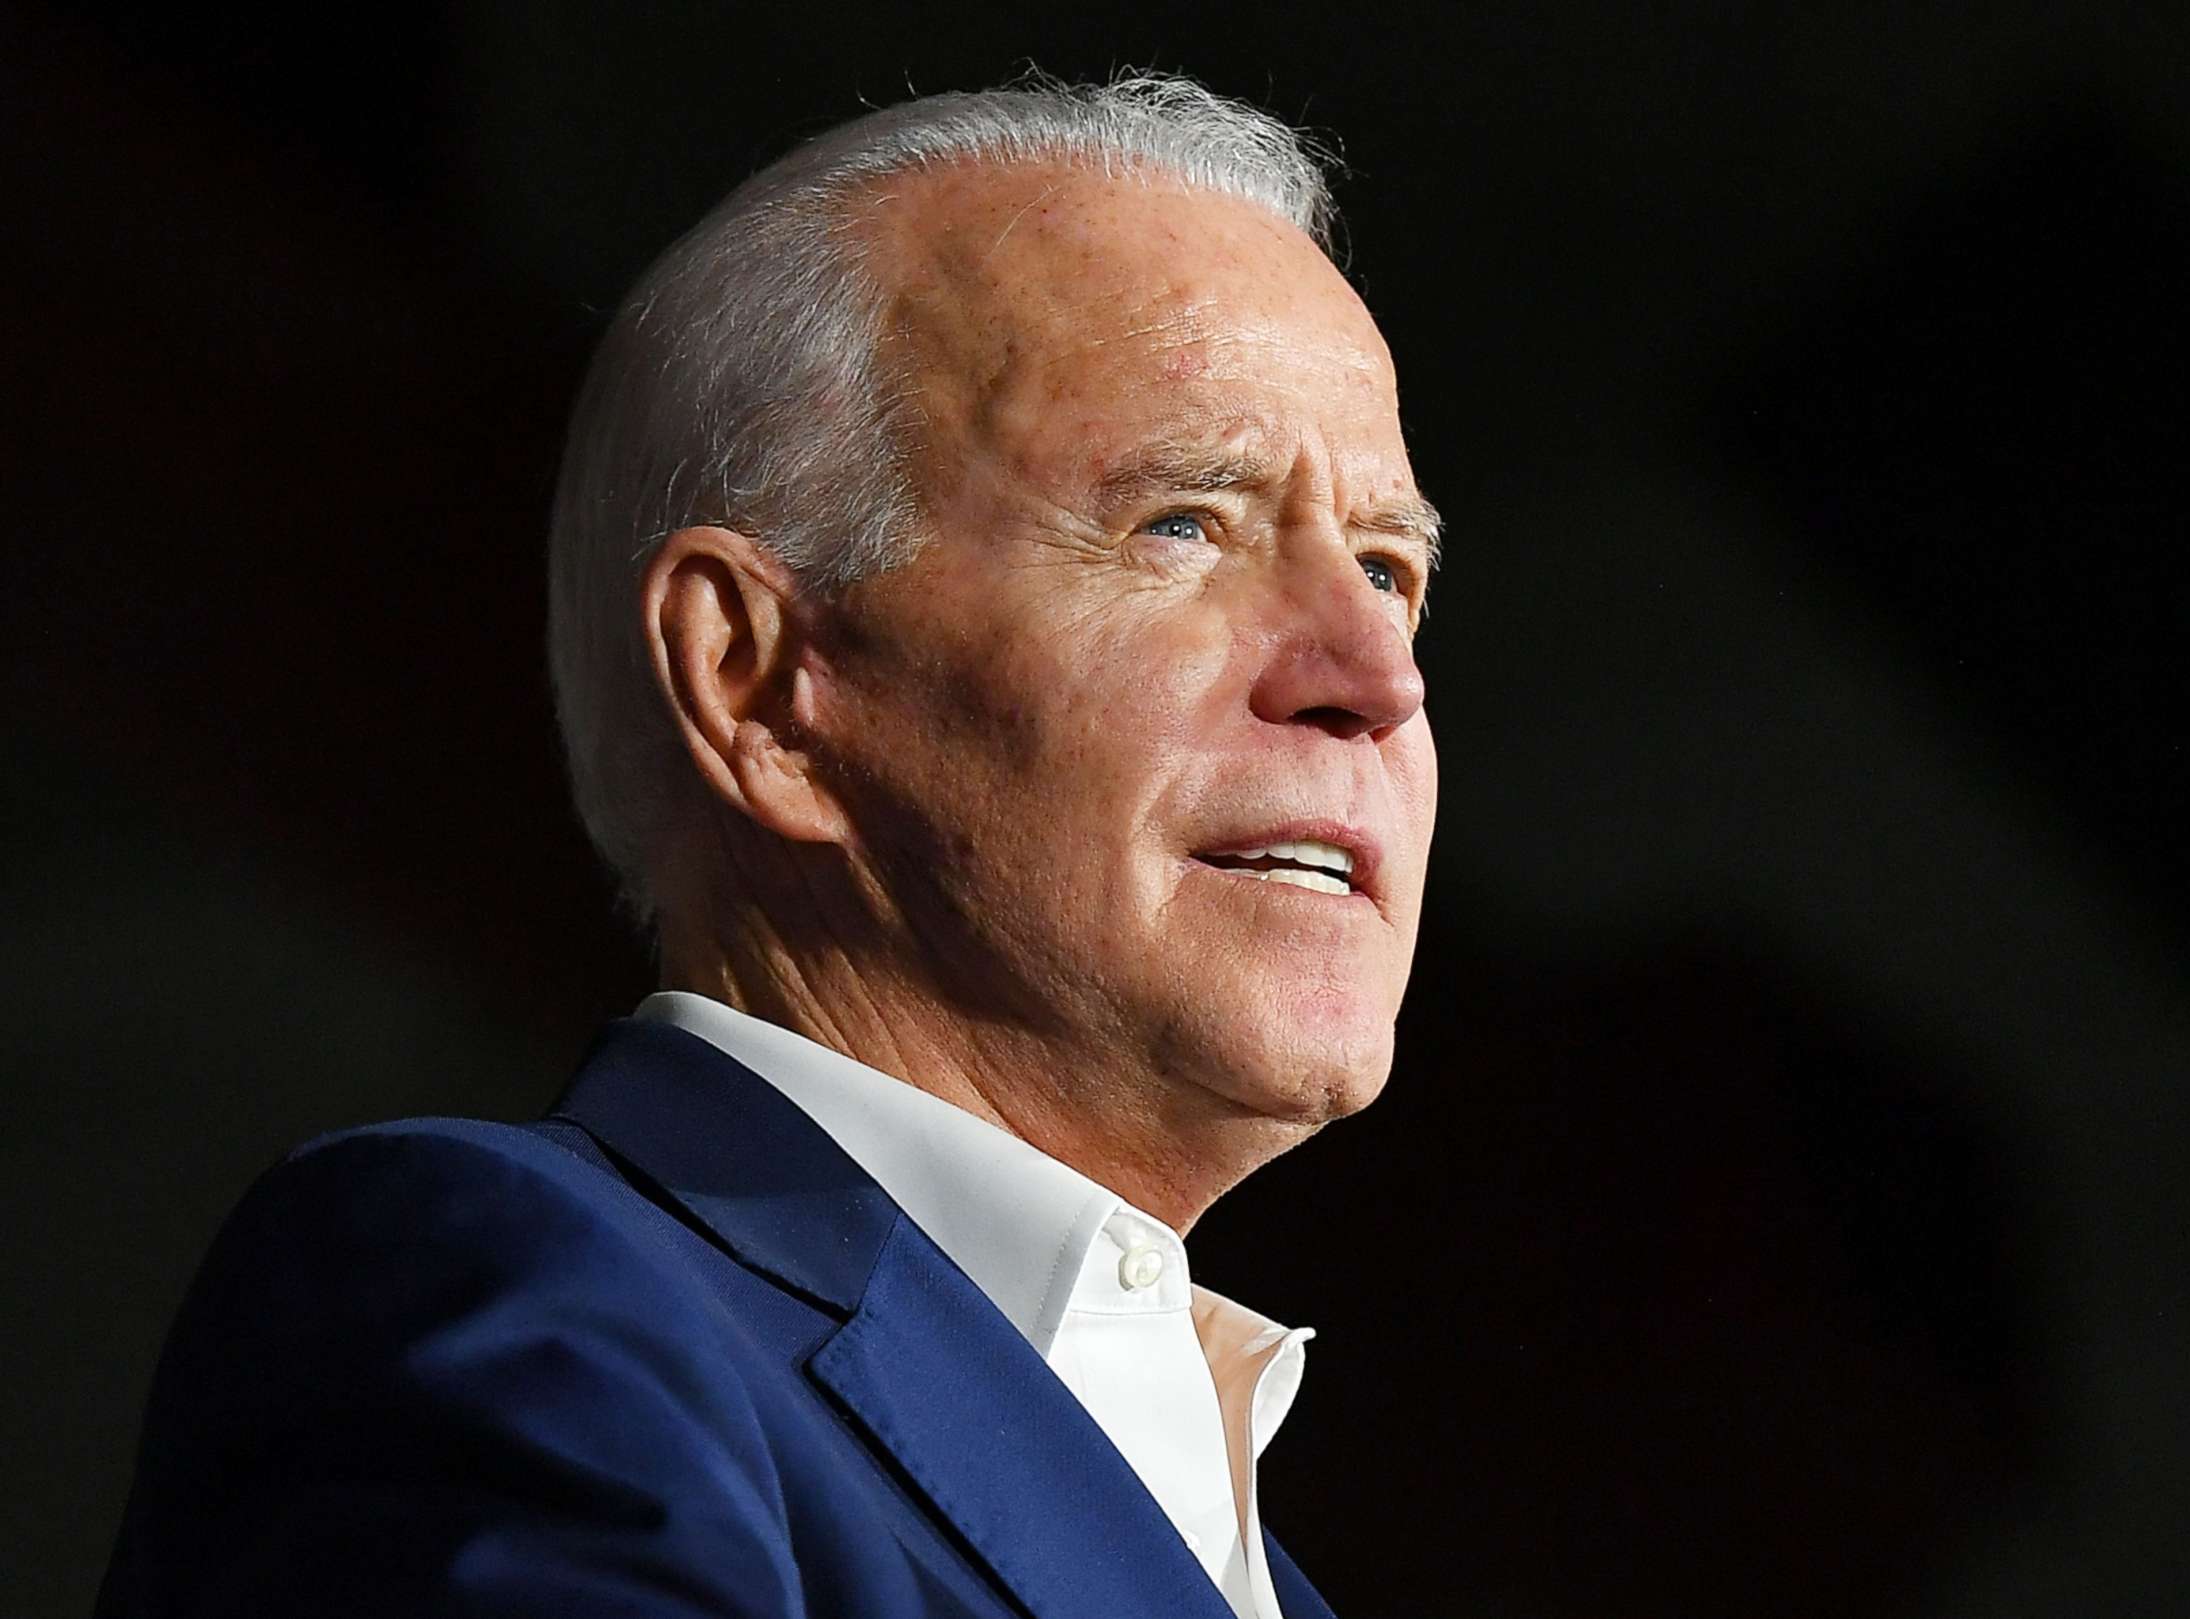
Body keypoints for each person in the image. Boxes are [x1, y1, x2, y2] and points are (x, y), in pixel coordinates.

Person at [95, 73, 1439, 1619]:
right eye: (1182, 525)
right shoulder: (529, 1304)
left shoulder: (1254, 1559)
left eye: (1393, 569)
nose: (1378, 675)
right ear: (758, 689)